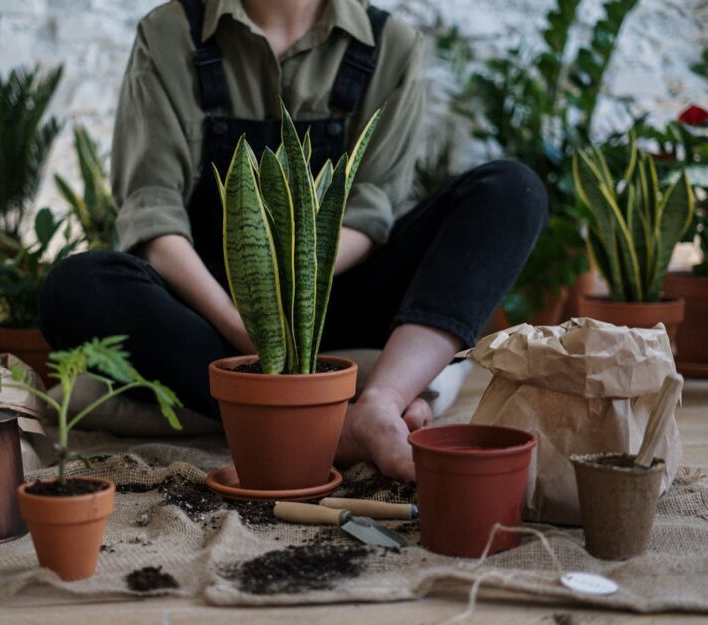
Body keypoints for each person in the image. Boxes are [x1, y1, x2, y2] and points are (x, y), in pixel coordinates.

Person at [39, 0, 548, 481]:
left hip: (336, 293)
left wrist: (297, 299)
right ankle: (323, 421)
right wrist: (246, 325)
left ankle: (379, 403)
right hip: (211, 315)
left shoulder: (389, 44)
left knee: (512, 190)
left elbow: (370, 211)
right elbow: (153, 212)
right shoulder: (170, 33)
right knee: (75, 286)